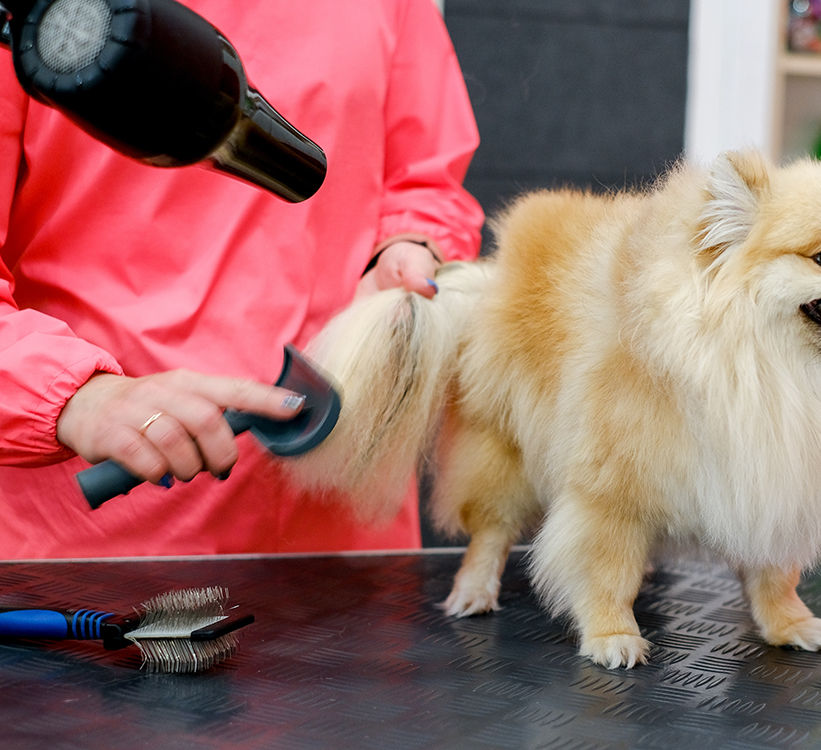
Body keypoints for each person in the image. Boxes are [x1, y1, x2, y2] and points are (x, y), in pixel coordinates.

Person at [0, 0, 484, 558]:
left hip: (342, 536)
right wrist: (74, 396)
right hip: (100, 547)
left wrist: (407, 247)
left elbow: (424, 180)